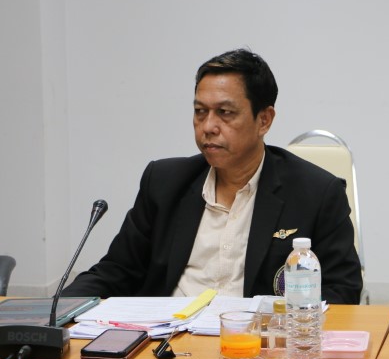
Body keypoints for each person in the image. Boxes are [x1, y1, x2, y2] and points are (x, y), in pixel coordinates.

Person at [62, 49, 362, 303]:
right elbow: (116, 271)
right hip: (167, 342)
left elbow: (342, 291)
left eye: (225, 113)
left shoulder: (317, 193)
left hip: (257, 343)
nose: (208, 126)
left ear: (264, 120)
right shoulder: (164, 182)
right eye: (200, 112)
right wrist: (55, 311)